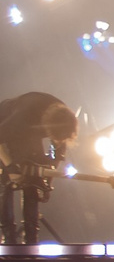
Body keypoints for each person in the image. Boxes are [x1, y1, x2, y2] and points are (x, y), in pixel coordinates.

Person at [0, 90, 78, 244]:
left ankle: (31, 237)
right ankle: (9, 237)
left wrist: (47, 181)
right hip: (4, 127)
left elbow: (58, 151)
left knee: (33, 179)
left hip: (29, 132)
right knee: (6, 182)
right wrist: (9, 167)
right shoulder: (22, 116)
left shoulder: (64, 118)